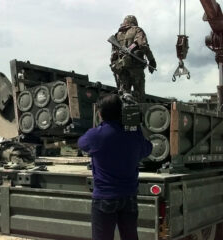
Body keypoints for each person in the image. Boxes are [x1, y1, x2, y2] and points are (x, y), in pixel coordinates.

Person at [77, 94, 152, 240]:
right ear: (121, 113)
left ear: (100, 114)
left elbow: (82, 144)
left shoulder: (96, 136)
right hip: (129, 196)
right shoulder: (133, 135)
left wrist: (102, 125)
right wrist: (137, 125)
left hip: (105, 197)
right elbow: (148, 148)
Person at [110, 15, 157, 102]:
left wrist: (116, 68)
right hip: (136, 69)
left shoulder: (117, 35)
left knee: (124, 97)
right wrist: (151, 60)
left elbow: (113, 56)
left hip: (122, 71)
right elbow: (143, 45)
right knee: (139, 97)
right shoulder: (137, 30)